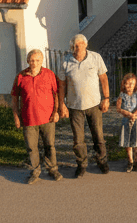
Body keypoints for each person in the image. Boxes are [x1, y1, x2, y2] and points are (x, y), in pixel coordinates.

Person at [57, 33, 110, 176]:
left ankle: (102, 161)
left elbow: (103, 78)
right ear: (72, 47)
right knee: (78, 139)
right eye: (75, 45)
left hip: (94, 104)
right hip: (74, 106)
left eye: (81, 44)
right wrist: (61, 104)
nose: (78, 47)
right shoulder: (65, 61)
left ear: (86, 45)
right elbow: (61, 85)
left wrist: (106, 98)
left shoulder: (95, 57)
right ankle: (82, 164)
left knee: (98, 136)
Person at [11, 49, 62, 184]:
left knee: (49, 145)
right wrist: (16, 117)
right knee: (31, 147)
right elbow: (15, 98)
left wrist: (56, 111)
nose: (35, 63)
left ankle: (52, 169)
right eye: (32, 60)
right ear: (28, 61)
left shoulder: (49, 74)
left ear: (42, 61)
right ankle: (35, 171)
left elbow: (56, 94)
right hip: (28, 119)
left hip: (48, 118)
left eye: (37, 60)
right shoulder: (21, 76)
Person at [116, 72, 137, 172]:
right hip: (126, 121)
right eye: (127, 83)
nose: (129, 86)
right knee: (128, 142)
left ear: (135, 84)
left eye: (132, 83)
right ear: (124, 84)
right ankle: (130, 161)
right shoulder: (122, 95)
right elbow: (118, 108)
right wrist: (129, 114)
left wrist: (135, 114)